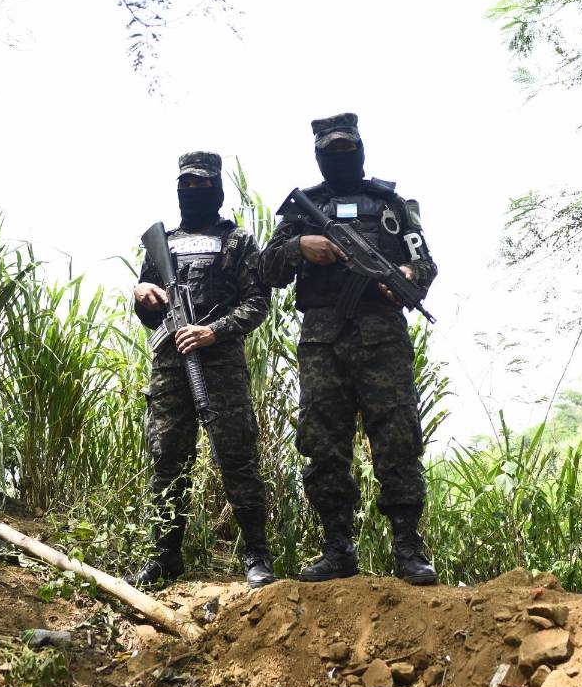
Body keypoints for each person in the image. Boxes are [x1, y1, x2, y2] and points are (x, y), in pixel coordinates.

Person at [258, 112, 439, 585]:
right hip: (323, 340)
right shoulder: (302, 210)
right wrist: (301, 246)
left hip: (382, 337)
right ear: (318, 155)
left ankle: (407, 547)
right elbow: (267, 269)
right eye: (331, 151)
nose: (340, 157)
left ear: (360, 148)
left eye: (347, 149)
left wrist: (406, 277)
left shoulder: (391, 204)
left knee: (397, 437)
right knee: (323, 441)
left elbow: (425, 265)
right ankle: (337, 548)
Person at [131, 151, 275, 589]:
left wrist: (212, 332)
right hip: (171, 366)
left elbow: (258, 303)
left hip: (221, 365)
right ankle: (164, 556)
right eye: (186, 184)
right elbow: (149, 312)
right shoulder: (164, 242)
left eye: (201, 185)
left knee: (237, 458)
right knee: (168, 457)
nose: (193, 192)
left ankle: (256, 556)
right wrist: (141, 295)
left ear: (217, 189)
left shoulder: (239, 242)